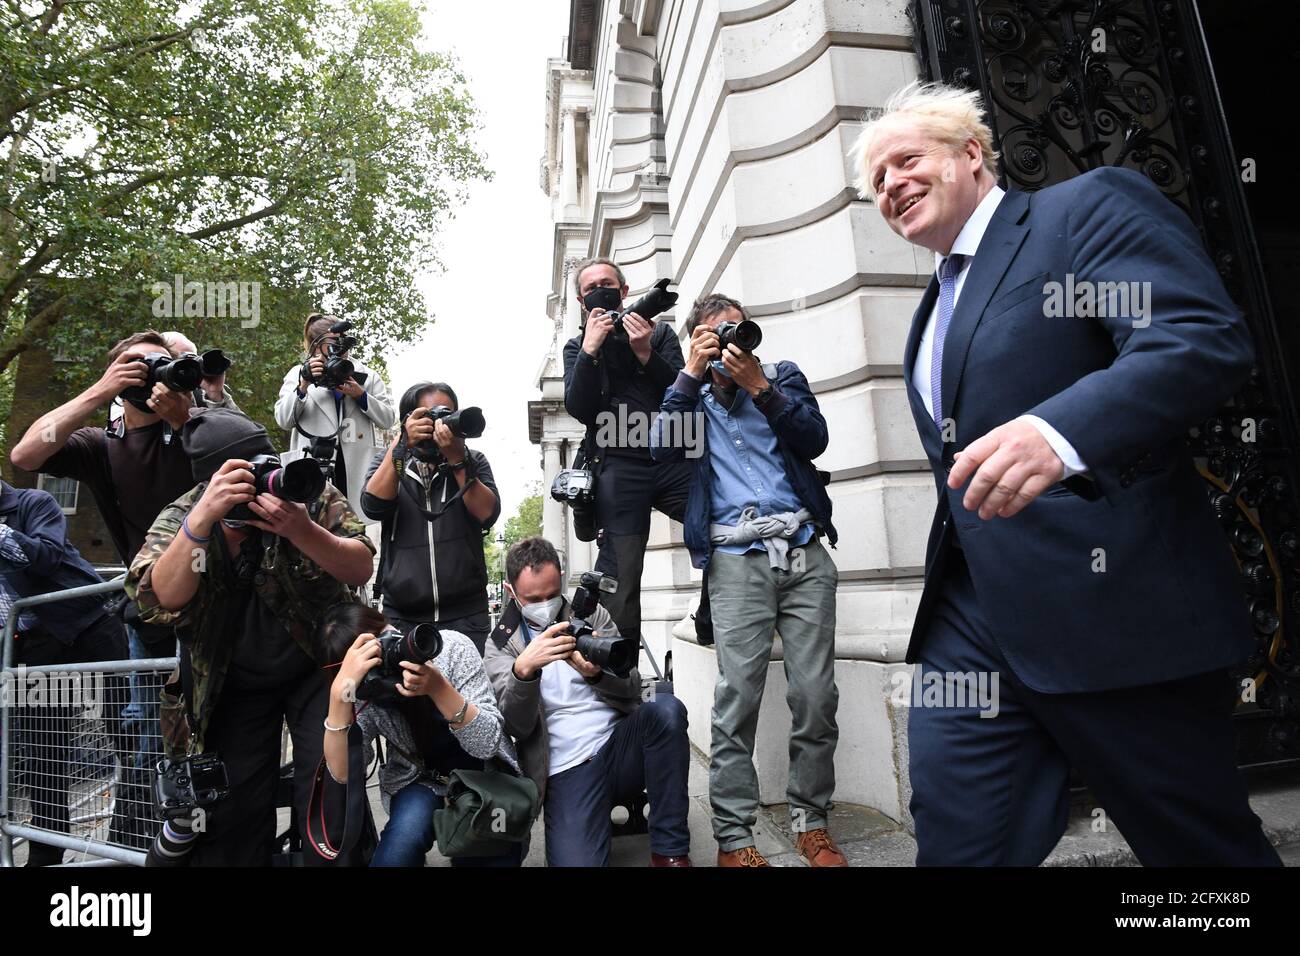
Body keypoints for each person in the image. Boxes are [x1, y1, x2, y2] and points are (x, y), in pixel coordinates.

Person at [850, 80, 1281, 865]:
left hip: (1113, 608)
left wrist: (1061, 433)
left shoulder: (1079, 211)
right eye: (877, 182)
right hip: (973, 627)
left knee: (1200, 854)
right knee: (955, 842)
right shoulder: (928, 312)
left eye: (906, 161)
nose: (891, 187)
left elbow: (1199, 336)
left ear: (971, 154)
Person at [125, 408, 377, 866]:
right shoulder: (186, 512)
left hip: (315, 669)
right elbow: (160, 597)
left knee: (331, 791)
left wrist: (302, 530)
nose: (263, 481)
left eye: (265, 464)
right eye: (246, 474)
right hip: (231, 682)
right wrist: (201, 523)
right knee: (234, 812)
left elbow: (360, 565)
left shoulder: (304, 493)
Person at [651, 293, 844, 868]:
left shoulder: (780, 377)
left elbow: (815, 439)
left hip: (805, 549)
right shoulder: (691, 399)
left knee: (816, 695)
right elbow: (662, 451)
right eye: (715, 335)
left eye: (735, 329)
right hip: (735, 560)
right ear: (697, 343)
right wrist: (689, 373)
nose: (729, 341)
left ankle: (812, 823)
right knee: (738, 698)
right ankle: (735, 839)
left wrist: (761, 386)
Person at [9, 329, 204, 835]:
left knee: (217, 725)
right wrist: (101, 389)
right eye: (135, 367)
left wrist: (191, 398)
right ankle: (138, 842)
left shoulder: (197, 429)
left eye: (160, 363)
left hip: (221, 605)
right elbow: (25, 457)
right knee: (143, 734)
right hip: (152, 610)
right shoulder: (101, 445)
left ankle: (209, 839)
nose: (149, 374)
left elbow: (245, 448)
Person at [483, 537, 692, 867]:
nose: (546, 604)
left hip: (619, 746)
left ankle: (670, 852)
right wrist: (524, 672)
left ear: (562, 577)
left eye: (552, 594)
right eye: (533, 599)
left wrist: (597, 674)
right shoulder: (501, 644)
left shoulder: (592, 614)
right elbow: (516, 727)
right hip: (566, 770)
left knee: (666, 709)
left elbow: (634, 687)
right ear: (511, 592)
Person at [320, 603, 523, 866]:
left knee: (487, 851)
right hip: (420, 780)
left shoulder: (451, 648)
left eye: (386, 635)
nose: (390, 651)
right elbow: (345, 774)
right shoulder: (362, 695)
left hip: (485, 775)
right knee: (397, 851)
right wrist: (339, 698)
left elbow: (487, 745)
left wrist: (439, 688)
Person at [561, 258, 693, 656]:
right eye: (591, 287)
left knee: (717, 526)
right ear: (582, 302)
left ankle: (713, 613)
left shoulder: (661, 334)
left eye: (607, 283)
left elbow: (683, 393)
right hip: (617, 465)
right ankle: (620, 671)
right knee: (620, 574)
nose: (600, 290)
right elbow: (581, 408)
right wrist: (590, 350)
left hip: (672, 458)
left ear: (624, 290)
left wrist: (644, 352)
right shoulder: (577, 346)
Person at [1, 469, 129, 866]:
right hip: (34, 647)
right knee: (43, 752)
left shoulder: (32, 503)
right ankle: (45, 851)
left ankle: (135, 833)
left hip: (90, 627)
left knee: (126, 728)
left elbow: (45, 556)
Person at [362, 382, 500, 655]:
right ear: (408, 421)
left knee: (468, 696)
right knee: (409, 695)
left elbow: (487, 514)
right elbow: (373, 506)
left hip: (467, 615)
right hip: (404, 617)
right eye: (428, 415)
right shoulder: (389, 462)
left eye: (446, 413)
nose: (439, 423)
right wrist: (401, 444)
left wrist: (457, 460)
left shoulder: (474, 461)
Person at [275, 312, 395, 520]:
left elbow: (388, 419)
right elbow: (284, 420)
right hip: (311, 470)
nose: (340, 351)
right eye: (333, 345)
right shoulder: (298, 374)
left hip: (355, 469)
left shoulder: (367, 375)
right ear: (315, 346)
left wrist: (361, 395)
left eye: (343, 345)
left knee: (355, 532)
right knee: (312, 530)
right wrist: (304, 384)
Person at [161, 331, 241, 412]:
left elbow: (242, 424)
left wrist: (216, 395)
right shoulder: (151, 392)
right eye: (178, 360)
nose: (187, 368)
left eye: (192, 361)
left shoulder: (202, 396)